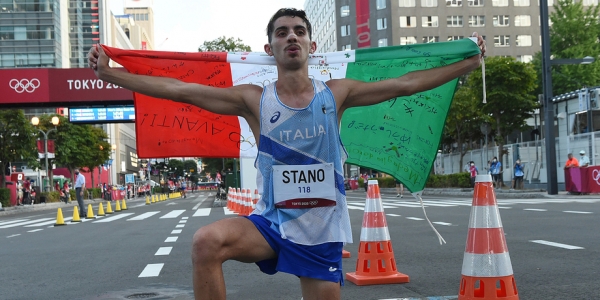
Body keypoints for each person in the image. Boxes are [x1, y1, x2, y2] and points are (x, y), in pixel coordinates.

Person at [88, 8, 485, 300]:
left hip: (321, 234)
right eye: (282, 33)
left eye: (298, 31)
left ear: (311, 44)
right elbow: (179, 89)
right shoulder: (253, 100)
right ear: (270, 46)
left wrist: (468, 61)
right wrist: (110, 73)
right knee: (205, 242)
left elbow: (407, 83)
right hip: (271, 225)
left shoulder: (338, 93)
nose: (291, 37)